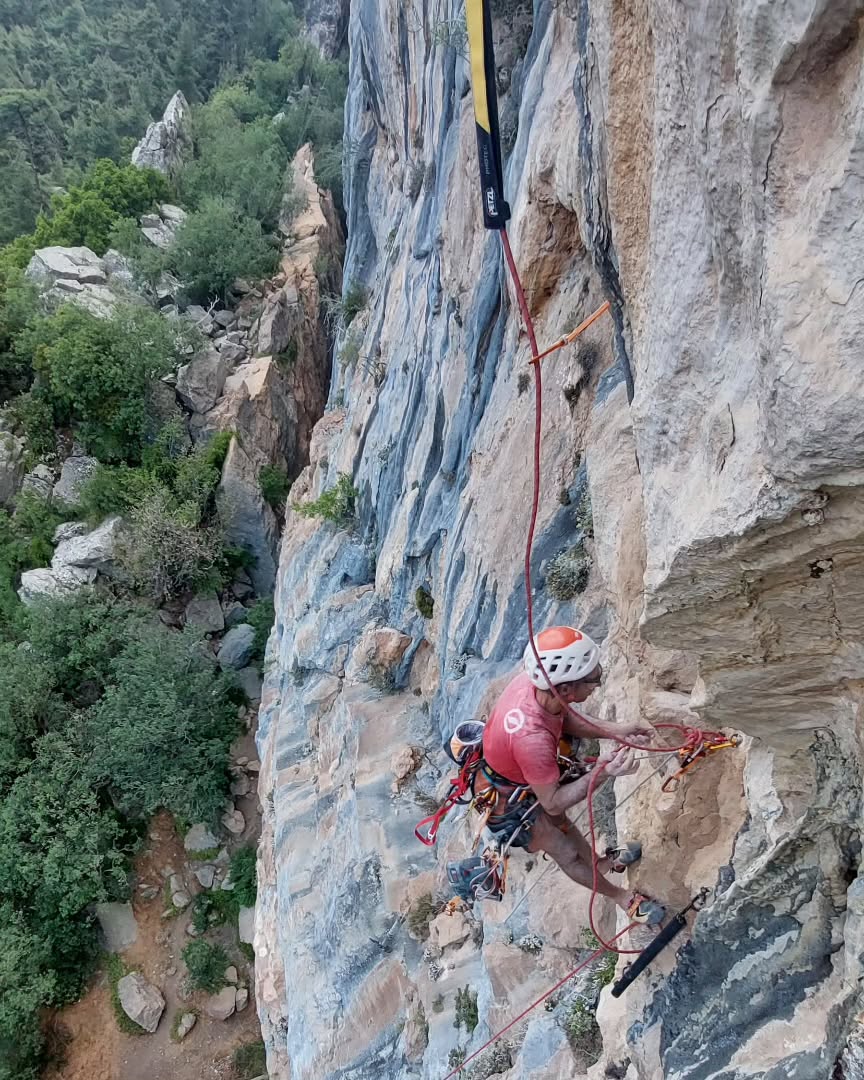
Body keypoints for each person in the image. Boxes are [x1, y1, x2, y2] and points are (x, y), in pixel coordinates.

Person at [481, 625, 665, 924]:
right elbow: (553, 802)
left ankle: (601, 864)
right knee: (564, 850)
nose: (597, 683)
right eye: (593, 678)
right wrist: (604, 772)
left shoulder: (537, 686)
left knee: (564, 825)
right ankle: (621, 898)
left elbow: (563, 718)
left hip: (521, 774)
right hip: (509, 798)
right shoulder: (532, 739)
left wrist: (617, 731)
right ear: (565, 688)